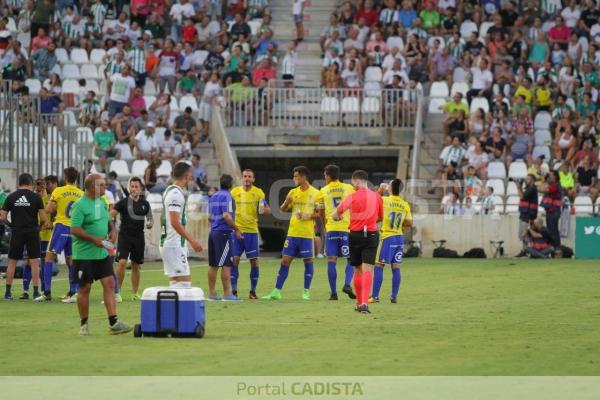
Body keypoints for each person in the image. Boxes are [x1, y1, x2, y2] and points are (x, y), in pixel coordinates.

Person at [70, 173, 131, 335]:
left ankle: (114, 322)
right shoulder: (80, 205)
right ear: (91, 187)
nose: (105, 187)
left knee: (110, 284)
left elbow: (107, 219)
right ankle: (84, 325)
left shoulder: (101, 202)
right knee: (85, 289)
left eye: (105, 184)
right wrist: (93, 239)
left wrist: (113, 230)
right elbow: (74, 229)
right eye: (101, 185)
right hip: (83, 256)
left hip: (101, 254)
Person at [262, 166, 322, 301]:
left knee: (308, 261)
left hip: (306, 234)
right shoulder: (292, 192)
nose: (294, 179)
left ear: (303, 177)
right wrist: (287, 202)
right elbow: (282, 209)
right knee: (285, 261)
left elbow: (319, 213)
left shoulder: (317, 193)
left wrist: (307, 216)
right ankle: (277, 291)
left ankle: (306, 291)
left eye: (296, 176)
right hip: (293, 233)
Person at [332, 170, 383, 314]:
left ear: (357, 181)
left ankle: (359, 303)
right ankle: (365, 303)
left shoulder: (351, 197)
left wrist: (338, 218)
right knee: (368, 270)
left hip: (355, 235)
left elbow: (336, 214)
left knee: (357, 270)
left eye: (353, 182)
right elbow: (380, 217)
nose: (352, 185)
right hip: (372, 234)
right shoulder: (377, 197)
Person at [1, 173, 46, 301]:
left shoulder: (11, 197)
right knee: (34, 262)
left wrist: (11, 225)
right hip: (32, 231)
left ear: (19, 183)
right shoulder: (36, 197)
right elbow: (43, 218)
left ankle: (8, 293)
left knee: (12, 262)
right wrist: (39, 227)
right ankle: (36, 293)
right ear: (31, 183)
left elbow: (3, 217)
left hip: (17, 231)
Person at [42, 167, 84, 302]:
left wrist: (55, 208)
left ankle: (47, 292)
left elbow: (48, 209)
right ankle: (73, 291)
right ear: (76, 178)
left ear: (65, 177)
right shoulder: (81, 193)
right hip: (75, 230)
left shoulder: (58, 190)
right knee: (71, 260)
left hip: (61, 227)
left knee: (49, 257)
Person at [160, 162, 203, 287]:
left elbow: (165, 218)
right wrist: (192, 241)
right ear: (186, 176)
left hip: (170, 244)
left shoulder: (169, 190)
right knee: (184, 285)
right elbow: (174, 222)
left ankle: (170, 307)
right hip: (174, 245)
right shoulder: (175, 194)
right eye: (190, 175)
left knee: (176, 284)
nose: (191, 178)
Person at [230, 169, 271, 300]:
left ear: (253, 179)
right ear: (242, 178)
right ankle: (234, 291)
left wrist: (264, 210)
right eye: (245, 176)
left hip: (252, 232)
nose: (247, 178)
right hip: (237, 231)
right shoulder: (234, 192)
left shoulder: (258, 193)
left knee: (254, 262)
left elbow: (268, 209)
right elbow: (229, 209)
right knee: (234, 260)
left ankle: (252, 292)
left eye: (249, 176)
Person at [317, 164, 356, 301]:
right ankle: (346, 284)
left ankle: (333, 293)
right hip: (346, 229)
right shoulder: (349, 188)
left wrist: (326, 226)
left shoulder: (323, 191)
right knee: (350, 259)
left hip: (332, 229)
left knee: (331, 260)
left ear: (327, 176)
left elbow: (320, 212)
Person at [370, 179, 412, 304]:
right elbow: (409, 223)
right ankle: (394, 296)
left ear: (391, 187)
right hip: (399, 238)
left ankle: (375, 296)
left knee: (379, 265)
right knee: (396, 267)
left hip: (387, 237)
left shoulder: (384, 200)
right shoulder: (405, 204)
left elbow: (373, 202)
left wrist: (380, 190)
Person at [111, 177, 153, 301]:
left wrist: (150, 223)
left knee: (136, 265)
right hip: (125, 236)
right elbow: (111, 214)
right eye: (132, 186)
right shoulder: (123, 202)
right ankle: (116, 293)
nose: (134, 189)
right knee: (122, 262)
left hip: (139, 237)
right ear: (129, 188)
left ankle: (135, 293)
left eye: (136, 186)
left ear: (140, 189)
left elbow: (150, 218)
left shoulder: (145, 204)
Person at [207, 174, 242, 301]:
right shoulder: (228, 196)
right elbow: (227, 216)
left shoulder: (213, 196)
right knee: (227, 264)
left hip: (213, 232)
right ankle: (228, 294)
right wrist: (236, 229)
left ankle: (212, 294)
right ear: (231, 185)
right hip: (224, 233)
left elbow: (210, 217)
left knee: (213, 265)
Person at [20, 179, 53, 299]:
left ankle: (45, 291)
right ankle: (25, 291)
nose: (38, 192)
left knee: (44, 263)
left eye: (41, 189)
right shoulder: (31, 199)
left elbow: (55, 214)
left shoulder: (50, 199)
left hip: (46, 237)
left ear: (45, 188)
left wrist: (52, 223)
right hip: (32, 235)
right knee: (29, 262)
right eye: (37, 190)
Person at [516, 175, 539, 257]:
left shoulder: (532, 188)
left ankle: (528, 250)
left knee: (524, 234)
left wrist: (518, 187)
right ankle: (525, 250)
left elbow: (522, 196)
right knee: (522, 234)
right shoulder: (528, 188)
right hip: (524, 212)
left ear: (532, 180)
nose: (525, 180)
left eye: (527, 179)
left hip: (529, 214)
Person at [540, 171, 562, 247]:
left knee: (553, 230)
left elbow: (542, 189)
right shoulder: (553, 185)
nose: (549, 177)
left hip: (554, 211)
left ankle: (556, 248)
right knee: (551, 230)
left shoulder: (555, 185)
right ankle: (554, 248)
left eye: (550, 175)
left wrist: (543, 181)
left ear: (555, 177)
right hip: (551, 210)